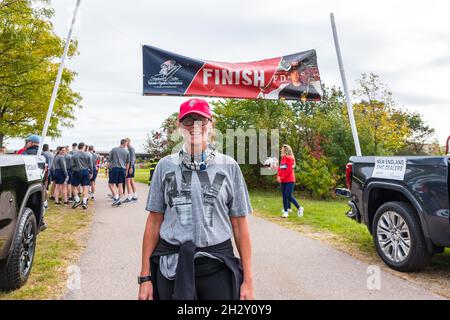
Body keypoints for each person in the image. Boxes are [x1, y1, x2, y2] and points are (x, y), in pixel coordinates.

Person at [138, 99, 254, 301]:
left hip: (216, 266)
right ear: (179, 126)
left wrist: (249, 279)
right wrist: (145, 276)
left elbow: (239, 224)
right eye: (188, 121)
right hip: (171, 267)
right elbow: (154, 221)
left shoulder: (229, 166)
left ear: (211, 124)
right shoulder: (165, 166)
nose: (195, 126)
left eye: (201, 120)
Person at [277, 144, 303, 218]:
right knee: (284, 196)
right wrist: (278, 176)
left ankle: (299, 208)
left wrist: (281, 178)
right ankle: (286, 212)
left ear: (285, 150)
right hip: (283, 180)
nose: (281, 150)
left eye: (282, 149)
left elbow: (288, 171)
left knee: (288, 195)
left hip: (290, 180)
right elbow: (280, 168)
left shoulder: (290, 159)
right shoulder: (283, 158)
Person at [71, 142, 94, 210]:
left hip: (77, 171)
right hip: (85, 171)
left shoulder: (74, 155)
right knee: (85, 187)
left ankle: (77, 200)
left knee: (74, 186)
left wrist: (74, 170)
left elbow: (71, 165)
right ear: (84, 147)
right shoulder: (88, 155)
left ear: (78, 147)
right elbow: (91, 165)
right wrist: (91, 172)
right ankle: (84, 202)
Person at [108, 139, 130, 207]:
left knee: (110, 184)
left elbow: (109, 160)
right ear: (124, 143)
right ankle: (119, 200)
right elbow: (127, 162)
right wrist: (126, 171)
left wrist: (109, 168)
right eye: (126, 144)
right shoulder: (127, 151)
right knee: (120, 184)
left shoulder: (114, 150)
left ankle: (116, 197)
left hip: (115, 168)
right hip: (123, 169)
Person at [123, 138, 138, 203]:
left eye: (125, 142)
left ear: (128, 142)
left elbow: (132, 159)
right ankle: (135, 196)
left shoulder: (131, 149)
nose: (125, 143)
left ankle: (129, 197)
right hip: (131, 166)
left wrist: (131, 167)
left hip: (130, 166)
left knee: (128, 181)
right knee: (131, 181)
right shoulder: (129, 149)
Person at [42, 144, 54, 208]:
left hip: (45, 172)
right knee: (47, 186)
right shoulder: (52, 154)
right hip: (50, 171)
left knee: (44, 186)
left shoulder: (43, 154)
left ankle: (44, 201)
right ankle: (45, 201)